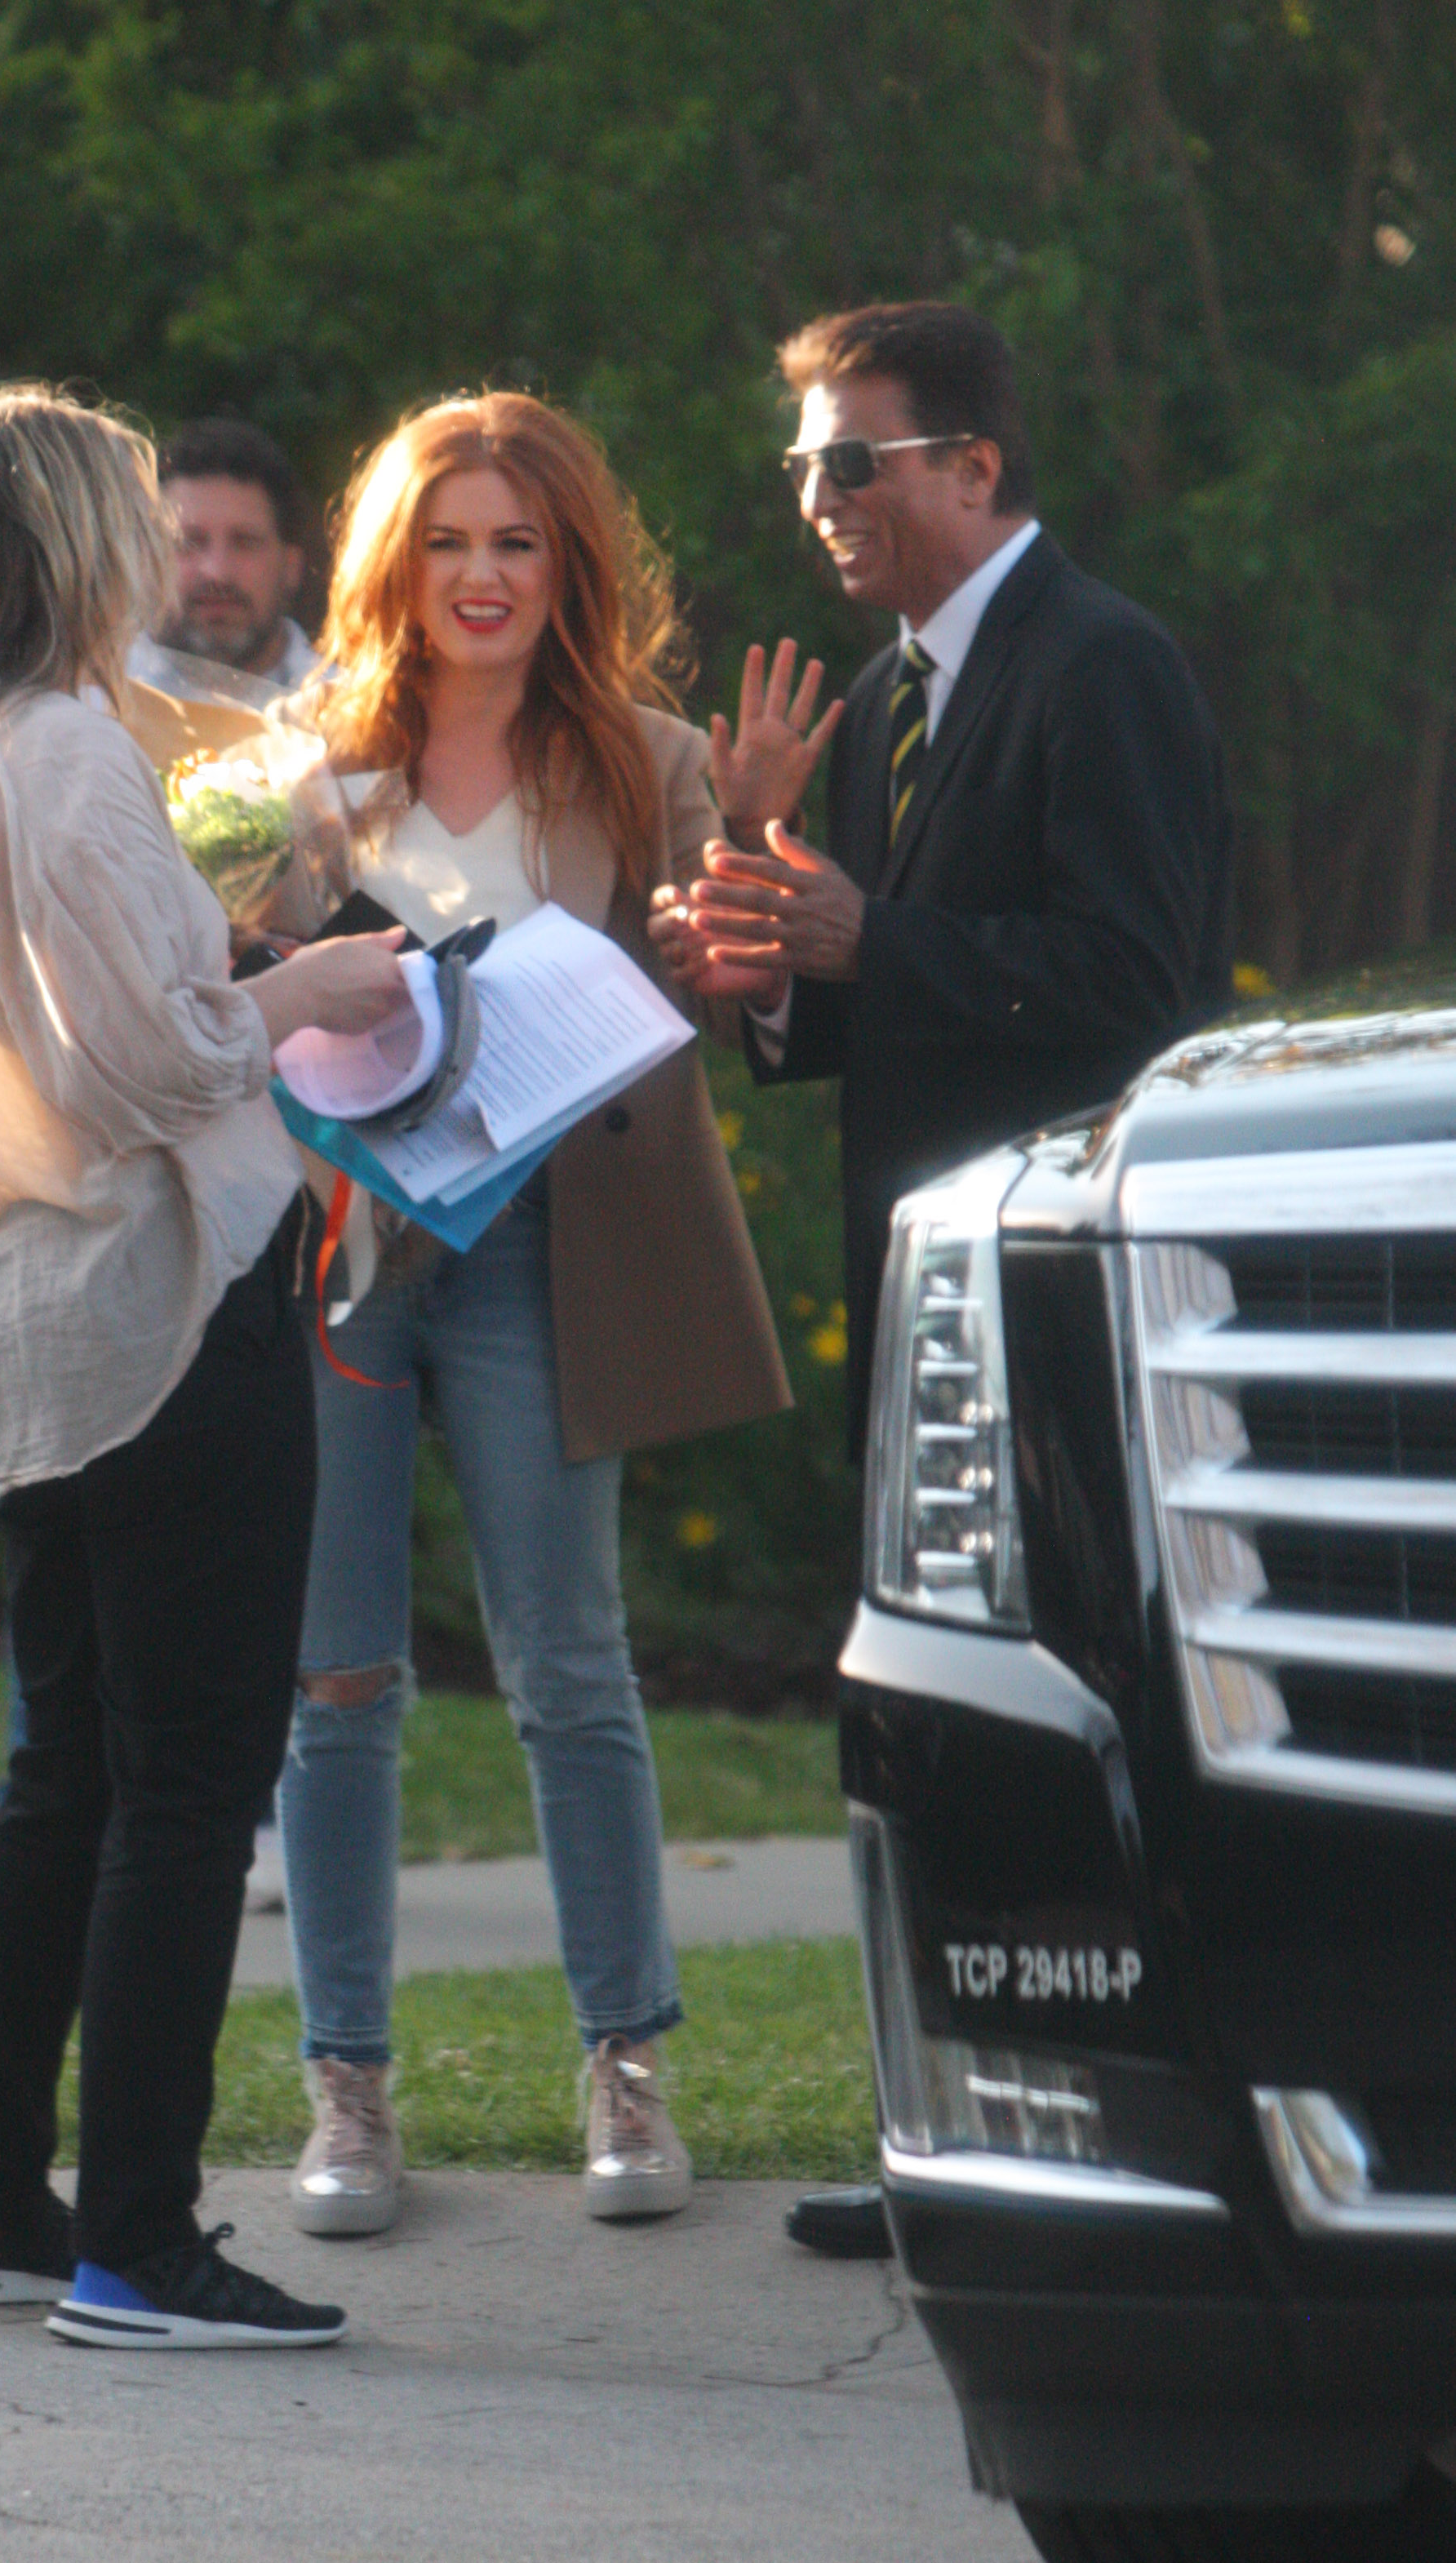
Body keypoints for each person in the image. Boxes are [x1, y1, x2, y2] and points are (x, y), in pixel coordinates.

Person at [0, 383, 408, 2347]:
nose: (160, 555)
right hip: (156, 1305)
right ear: (69, 540)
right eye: (134, 519)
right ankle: (139, 2241)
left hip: (15, 1311)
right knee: (186, 1781)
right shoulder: (61, 752)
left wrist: (228, 932)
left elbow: (0, 1068)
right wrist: (306, 982)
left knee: (65, 1768)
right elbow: (159, 1056)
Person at [652, 300, 1235, 2256]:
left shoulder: (1099, 666)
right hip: (926, 1301)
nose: (811, 497)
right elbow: (856, 999)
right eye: (798, 466)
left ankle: (1100, 2155)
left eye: (848, 459)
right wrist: (758, 959)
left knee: (1059, 1737)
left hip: (1060, 1312)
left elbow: (1135, 989)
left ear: (970, 466)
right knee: (928, 1734)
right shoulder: (890, 689)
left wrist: (863, 936)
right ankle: (959, 2137)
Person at [270, 391, 824, 2238]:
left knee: (568, 1667)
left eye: (514, 541)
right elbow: (237, 1007)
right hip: (348, 1253)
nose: (481, 576)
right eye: (446, 543)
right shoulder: (310, 772)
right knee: (336, 1679)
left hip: (545, 1253)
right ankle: (347, 2088)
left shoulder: (646, 761)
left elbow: (739, 999)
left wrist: (750, 853)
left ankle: (626, 2064)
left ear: (568, 561)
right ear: (396, 565)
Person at [128, 417, 324, 694]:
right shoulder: (94, 699)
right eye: (188, 542)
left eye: (245, 543)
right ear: (146, 559)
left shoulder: (353, 710)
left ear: (291, 566)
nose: (217, 572)